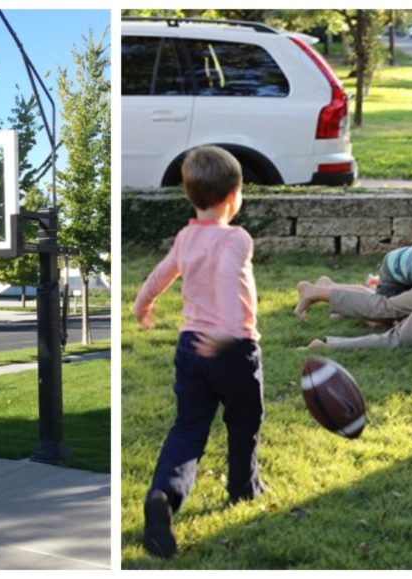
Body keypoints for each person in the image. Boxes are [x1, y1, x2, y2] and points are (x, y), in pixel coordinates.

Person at [132, 146, 265, 559]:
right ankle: (244, 488)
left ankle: (164, 495)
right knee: (244, 422)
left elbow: (163, 272)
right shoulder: (236, 238)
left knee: (188, 428)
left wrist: (143, 303)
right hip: (232, 347)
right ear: (233, 197)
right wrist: (226, 331)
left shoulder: (187, 236)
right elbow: (227, 282)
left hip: (190, 347)